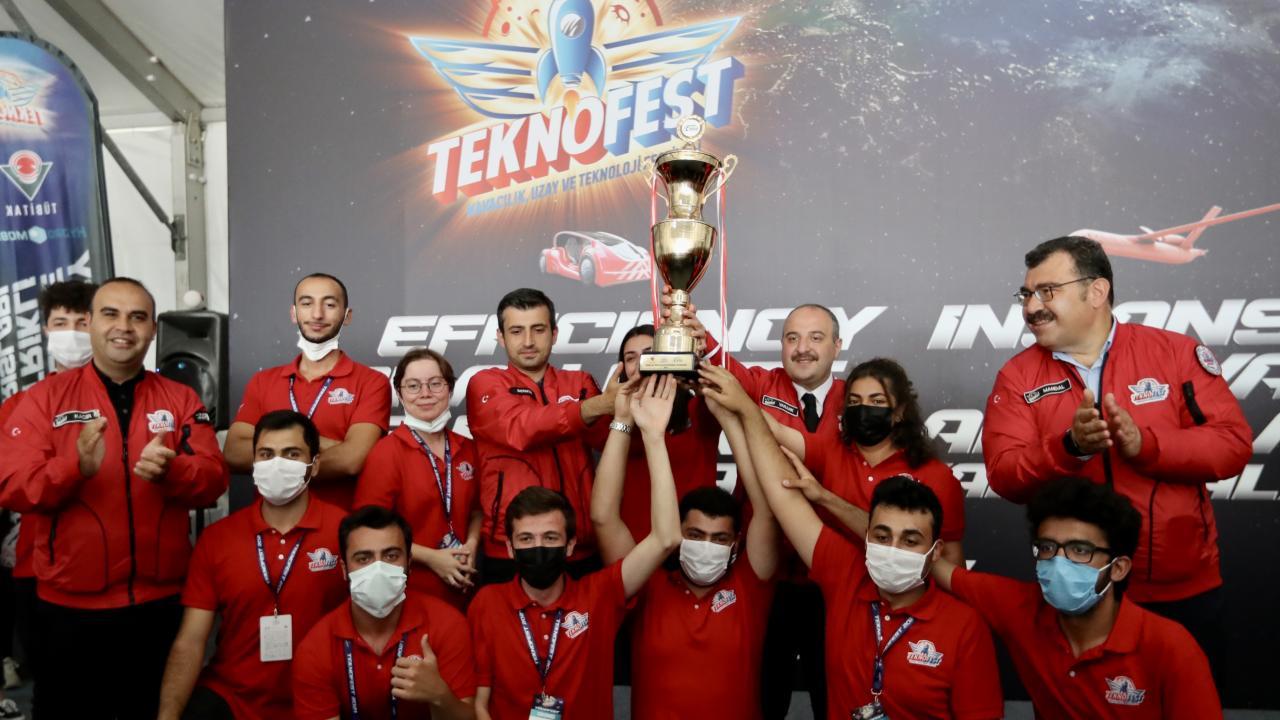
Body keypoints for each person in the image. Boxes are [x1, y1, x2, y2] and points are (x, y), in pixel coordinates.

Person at [983, 236, 1251, 683]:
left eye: (1047, 291)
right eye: (1026, 294)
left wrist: (1146, 446)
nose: (1031, 307)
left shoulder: (1175, 354)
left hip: (1180, 592)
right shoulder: (1017, 376)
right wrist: (1069, 448)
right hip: (1078, 593)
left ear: (1096, 291)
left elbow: (1232, 444)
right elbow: (1005, 475)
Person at [703, 364, 1003, 720]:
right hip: (832, 595)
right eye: (881, 536)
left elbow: (952, 569)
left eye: (910, 540)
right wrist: (741, 407)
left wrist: (825, 498)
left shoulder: (961, 626)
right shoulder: (844, 573)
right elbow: (780, 487)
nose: (893, 548)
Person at [0, 277, 229, 718]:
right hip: (68, 608)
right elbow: (12, 484)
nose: (124, 326)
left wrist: (173, 471)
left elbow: (214, 477)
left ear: (153, 329)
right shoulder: (44, 399)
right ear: (90, 323)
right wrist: (73, 469)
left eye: (137, 317)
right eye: (111, 314)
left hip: (160, 604)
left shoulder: (179, 398)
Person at [669, 292, 843, 719]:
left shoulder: (854, 399)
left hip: (833, 579)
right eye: (792, 338)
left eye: (816, 338)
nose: (802, 348)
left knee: (835, 694)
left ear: (837, 346)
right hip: (766, 575)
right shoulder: (762, 384)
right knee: (763, 695)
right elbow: (721, 368)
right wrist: (695, 332)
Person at [467, 376, 681, 719]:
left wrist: (651, 435)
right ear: (509, 548)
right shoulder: (487, 604)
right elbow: (480, 703)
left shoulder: (600, 595)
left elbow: (666, 538)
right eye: (526, 539)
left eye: (550, 538)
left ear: (570, 546)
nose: (539, 547)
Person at [931, 477, 1221, 719]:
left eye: (1080, 550)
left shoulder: (1171, 648)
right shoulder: (1019, 607)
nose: (1059, 562)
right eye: (1047, 548)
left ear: (1118, 568)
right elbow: (941, 568)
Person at [591, 367, 779, 719]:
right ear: (679, 535)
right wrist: (626, 423)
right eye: (695, 535)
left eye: (719, 538)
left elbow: (766, 511)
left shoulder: (750, 585)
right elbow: (603, 518)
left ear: (736, 543)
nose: (706, 545)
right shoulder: (648, 586)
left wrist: (728, 419)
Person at [157, 410, 349, 719]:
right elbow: (191, 640)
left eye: (292, 454)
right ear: (254, 463)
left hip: (318, 701)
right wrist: (168, 716)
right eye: (266, 454)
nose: (277, 464)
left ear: (314, 465)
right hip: (231, 697)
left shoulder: (347, 533)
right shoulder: (218, 538)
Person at [464, 288, 617, 584]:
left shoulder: (580, 382)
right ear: (500, 337)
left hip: (579, 548)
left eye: (538, 329)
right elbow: (521, 428)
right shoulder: (485, 383)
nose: (528, 341)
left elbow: (608, 442)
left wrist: (629, 406)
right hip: (510, 551)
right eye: (516, 331)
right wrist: (596, 406)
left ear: (554, 333)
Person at [770, 358, 966, 564]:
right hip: (830, 582)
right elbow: (776, 431)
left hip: (902, 585)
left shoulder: (937, 476)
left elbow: (950, 560)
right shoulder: (829, 451)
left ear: (899, 411)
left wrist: (824, 497)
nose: (864, 410)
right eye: (854, 402)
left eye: (877, 402)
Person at [0, 279, 96, 694]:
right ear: (44, 329)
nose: (72, 333)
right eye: (61, 323)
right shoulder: (19, 404)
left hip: (113, 570)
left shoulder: (127, 400)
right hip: (37, 566)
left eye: (82, 322)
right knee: (54, 687)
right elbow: (12, 485)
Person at [292, 505, 477, 719]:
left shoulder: (448, 624)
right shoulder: (316, 648)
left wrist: (440, 696)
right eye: (364, 558)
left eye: (391, 556)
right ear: (344, 569)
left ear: (409, 564)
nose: (378, 569)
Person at [225, 273, 391, 509]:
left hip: (341, 524)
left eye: (329, 304)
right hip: (269, 524)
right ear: (294, 313)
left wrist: (274, 454)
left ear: (347, 316)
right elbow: (233, 453)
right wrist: (328, 446)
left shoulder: (371, 382)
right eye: (306, 303)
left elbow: (353, 460)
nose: (317, 314)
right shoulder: (263, 381)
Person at [356, 348, 481, 609]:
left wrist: (471, 544)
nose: (425, 393)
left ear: (450, 389)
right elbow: (370, 530)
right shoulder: (386, 453)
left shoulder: (469, 448)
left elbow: (477, 511)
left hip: (466, 586)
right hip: (412, 591)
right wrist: (433, 558)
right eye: (413, 386)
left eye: (435, 383)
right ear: (400, 394)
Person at [611, 324, 722, 538]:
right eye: (631, 358)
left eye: (650, 354)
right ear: (622, 368)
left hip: (696, 544)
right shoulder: (616, 420)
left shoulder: (699, 410)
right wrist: (610, 407)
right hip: (635, 547)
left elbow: (733, 390)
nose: (642, 364)